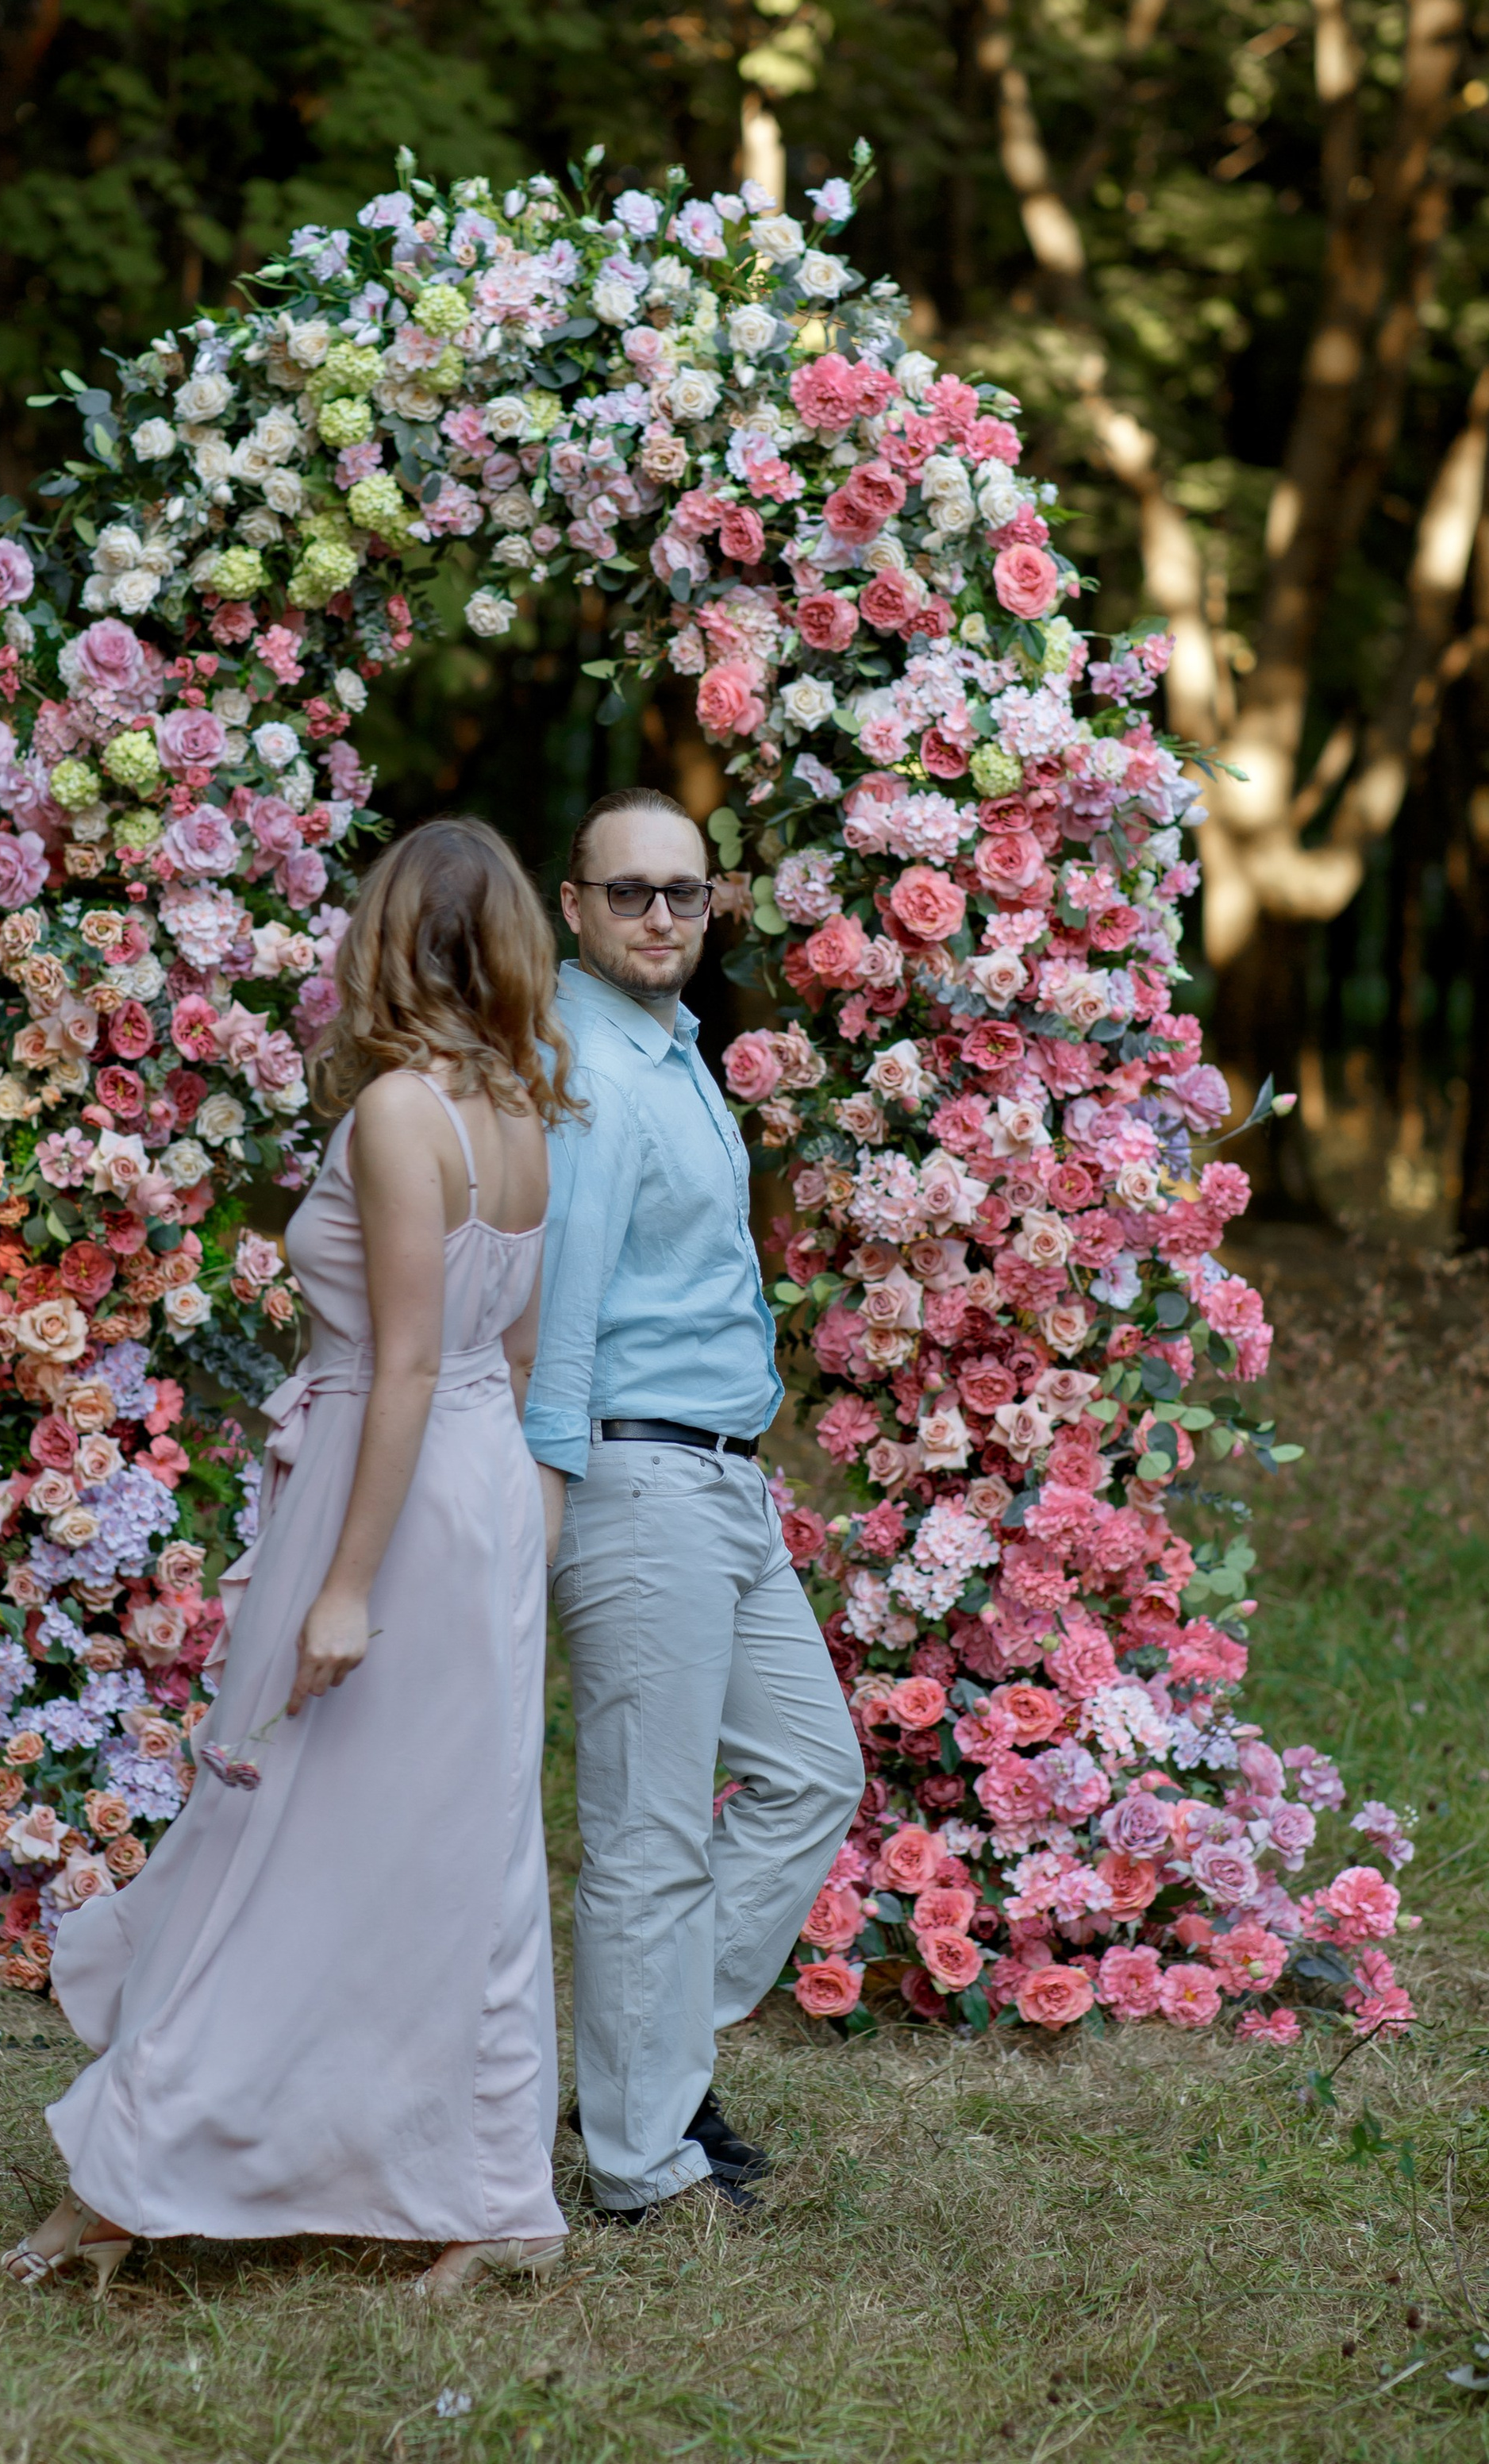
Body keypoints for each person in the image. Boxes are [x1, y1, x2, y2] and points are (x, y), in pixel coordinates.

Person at [2, 818, 573, 2300]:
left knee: (287, 1841)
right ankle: (484, 2194)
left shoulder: (401, 1112)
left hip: (396, 1501)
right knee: (462, 1855)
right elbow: (505, 1360)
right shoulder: (520, 1109)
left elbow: (402, 1369)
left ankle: (131, 2187)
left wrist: (340, 1586)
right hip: (482, 1490)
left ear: (383, 937)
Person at [525, 784, 865, 2224]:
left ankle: (639, 2060)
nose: (661, 915)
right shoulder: (581, 1060)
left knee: (812, 1774)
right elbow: (563, 1297)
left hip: (724, 1478)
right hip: (633, 1477)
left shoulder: (672, 1044)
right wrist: (548, 1492)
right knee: (649, 1839)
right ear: (573, 907)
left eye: (685, 892)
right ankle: (640, 2163)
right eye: (629, 893)